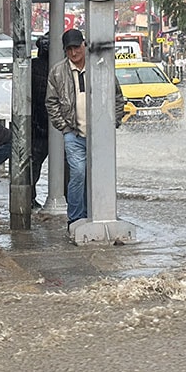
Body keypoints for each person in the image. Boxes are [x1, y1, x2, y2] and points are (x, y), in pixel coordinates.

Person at [45, 29, 125, 228]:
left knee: (97, 174)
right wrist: (64, 127)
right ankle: (76, 218)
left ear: (84, 45)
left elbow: (116, 96)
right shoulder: (57, 72)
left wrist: (113, 122)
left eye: (77, 47)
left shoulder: (99, 67)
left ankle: (95, 214)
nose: (74, 53)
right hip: (73, 133)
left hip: (99, 134)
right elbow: (51, 102)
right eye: (69, 49)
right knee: (79, 173)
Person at [30, 32, 50, 209]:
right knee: (34, 164)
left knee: (34, 164)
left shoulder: (64, 67)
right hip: (39, 127)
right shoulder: (34, 67)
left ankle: (30, 198)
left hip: (40, 126)